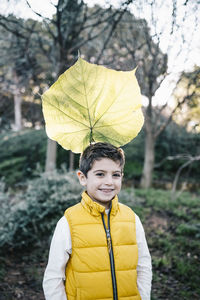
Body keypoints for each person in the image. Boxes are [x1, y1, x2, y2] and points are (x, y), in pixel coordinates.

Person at [43, 142, 152, 300]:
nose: (109, 181)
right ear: (83, 178)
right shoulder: (69, 222)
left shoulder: (131, 218)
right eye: (100, 174)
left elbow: (143, 267)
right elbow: (53, 277)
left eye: (115, 174)